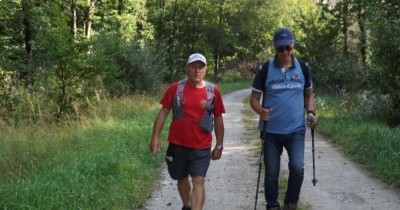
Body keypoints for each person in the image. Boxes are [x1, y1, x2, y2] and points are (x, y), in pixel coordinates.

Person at [250, 27, 318, 210]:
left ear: (293, 45)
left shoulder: (303, 67)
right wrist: (261, 111)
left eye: (288, 48)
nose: (285, 52)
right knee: (271, 172)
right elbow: (254, 100)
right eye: (280, 49)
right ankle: (272, 205)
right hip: (270, 131)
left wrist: (311, 112)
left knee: (297, 168)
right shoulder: (265, 69)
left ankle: (290, 202)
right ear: (275, 48)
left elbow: (309, 94)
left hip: (296, 129)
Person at [149, 53, 225, 210]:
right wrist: (155, 137)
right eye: (193, 66)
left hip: (201, 146)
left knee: (199, 181)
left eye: (200, 67)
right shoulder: (175, 88)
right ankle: (187, 205)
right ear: (187, 69)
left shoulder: (213, 91)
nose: (197, 70)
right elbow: (163, 112)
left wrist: (219, 145)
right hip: (178, 144)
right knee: (181, 178)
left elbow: (218, 118)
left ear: (205, 70)